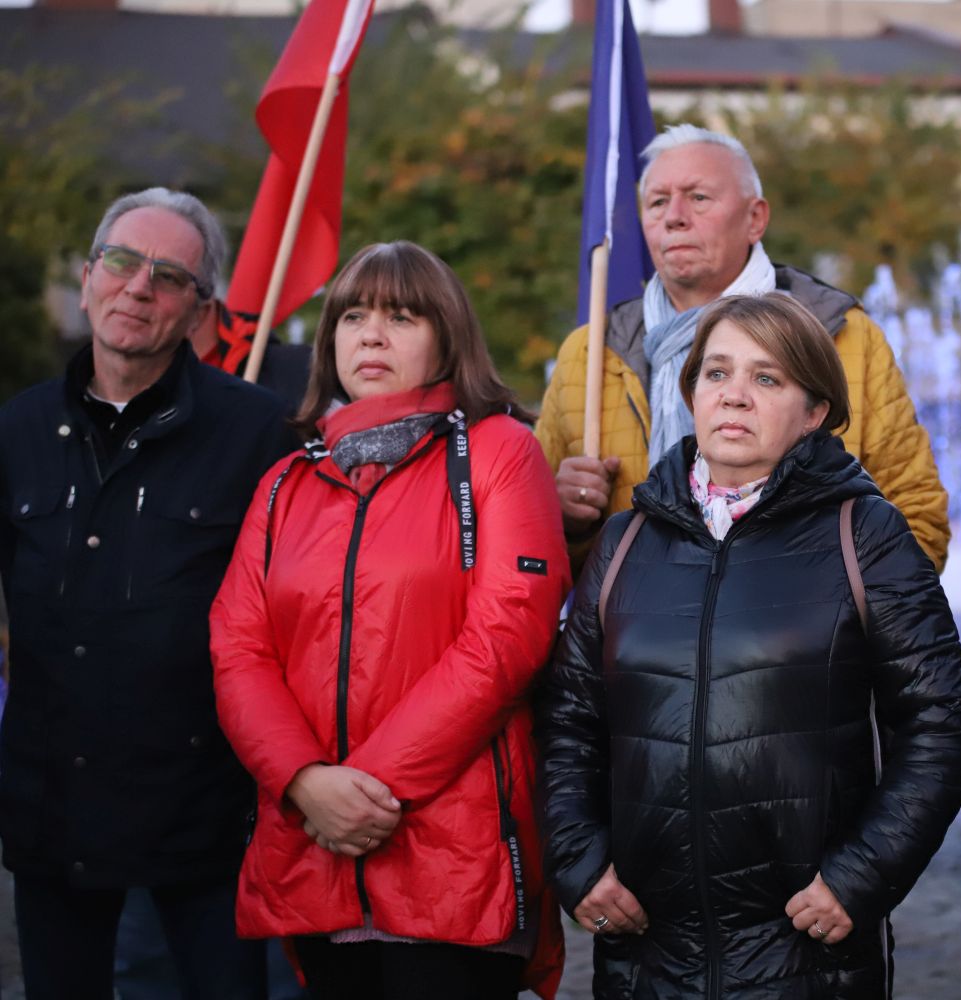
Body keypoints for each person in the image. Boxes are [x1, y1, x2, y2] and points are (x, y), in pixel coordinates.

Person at [538, 294, 961, 998]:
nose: (734, 396)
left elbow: (943, 723)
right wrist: (578, 862)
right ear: (691, 396)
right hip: (649, 950)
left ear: (814, 413)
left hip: (806, 950)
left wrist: (862, 876)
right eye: (716, 374)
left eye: (766, 379)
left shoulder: (865, 535)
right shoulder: (626, 544)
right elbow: (567, 723)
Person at [209, 241, 569, 1000]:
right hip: (314, 852)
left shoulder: (501, 453)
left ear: (447, 337)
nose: (371, 335)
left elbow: (507, 636)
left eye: (401, 316)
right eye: (353, 316)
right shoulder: (285, 484)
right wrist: (305, 781)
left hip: (451, 857)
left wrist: (365, 789)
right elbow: (238, 648)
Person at [0, 187, 298, 999]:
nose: (139, 288)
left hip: (205, 816)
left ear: (202, 308)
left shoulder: (259, 433)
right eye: (124, 263)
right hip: (51, 806)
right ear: (90, 274)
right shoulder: (17, 430)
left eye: (169, 276)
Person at [535, 123, 950, 572]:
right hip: (634, 637)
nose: (674, 216)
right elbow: (524, 557)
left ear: (755, 218)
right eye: (657, 202)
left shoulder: (843, 336)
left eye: (698, 197)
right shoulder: (591, 353)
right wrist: (563, 520)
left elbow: (919, 517)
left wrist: (824, 619)